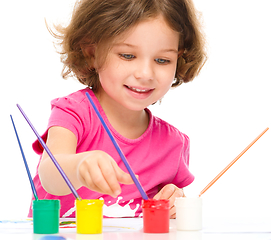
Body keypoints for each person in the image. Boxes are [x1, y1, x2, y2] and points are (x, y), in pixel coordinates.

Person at [29, 0, 206, 219]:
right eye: (127, 55)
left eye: (162, 60)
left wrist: (174, 202)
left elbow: (172, 210)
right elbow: (49, 174)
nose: (145, 73)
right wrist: (78, 166)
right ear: (91, 52)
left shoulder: (173, 144)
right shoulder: (74, 112)